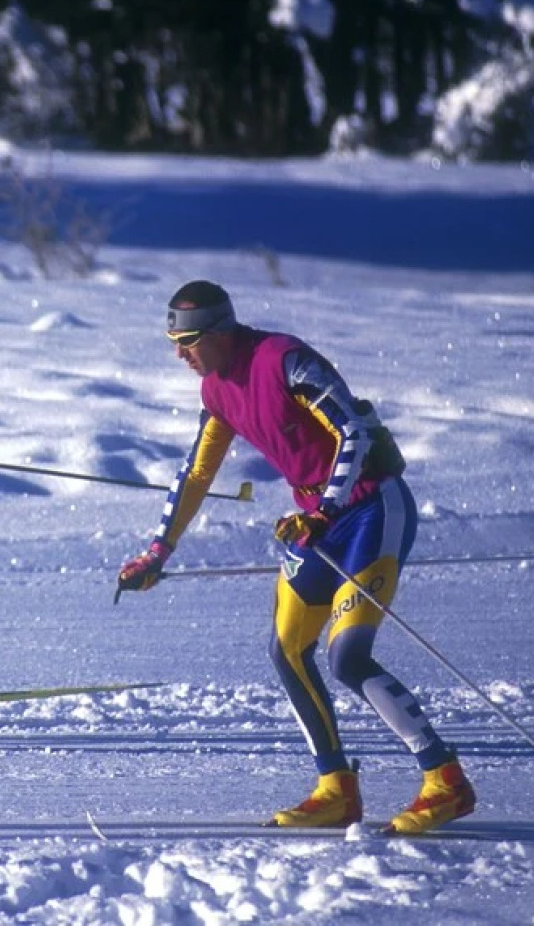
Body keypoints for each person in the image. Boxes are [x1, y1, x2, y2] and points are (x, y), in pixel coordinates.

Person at [115, 280, 475, 835]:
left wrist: (326, 510)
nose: (179, 354)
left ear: (218, 333)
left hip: (371, 509)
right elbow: (196, 474)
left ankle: (445, 780)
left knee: (348, 656)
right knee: (287, 648)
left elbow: (352, 431)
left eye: (186, 341)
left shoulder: (284, 360)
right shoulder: (216, 391)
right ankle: (336, 789)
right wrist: (158, 551)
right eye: (173, 342)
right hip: (317, 524)